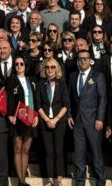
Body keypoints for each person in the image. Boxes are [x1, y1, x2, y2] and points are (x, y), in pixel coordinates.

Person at [68, 50, 106, 186]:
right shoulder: (73, 76)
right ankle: (80, 182)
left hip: (93, 120)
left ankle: (101, 181)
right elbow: (70, 99)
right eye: (80, 59)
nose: (82, 61)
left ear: (90, 60)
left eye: (85, 59)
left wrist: (100, 118)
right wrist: (69, 115)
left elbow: (102, 98)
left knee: (96, 154)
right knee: (79, 155)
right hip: (77, 121)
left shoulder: (97, 76)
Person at [35, 58, 68, 186]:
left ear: (57, 69)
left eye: (52, 67)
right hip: (45, 121)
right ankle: (49, 179)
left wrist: (55, 119)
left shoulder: (62, 83)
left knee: (59, 150)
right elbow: (38, 105)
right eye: (47, 67)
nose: (50, 69)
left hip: (60, 121)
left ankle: (58, 180)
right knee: (48, 151)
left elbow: (66, 105)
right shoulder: (40, 84)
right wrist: (48, 119)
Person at [6, 56, 35, 186]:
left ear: (25, 65)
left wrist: (36, 117)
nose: (19, 66)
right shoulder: (11, 80)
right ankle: (21, 181)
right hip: (16, 117)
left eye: (21, 64)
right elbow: (10, 99)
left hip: (29, 117)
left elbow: (36, 99)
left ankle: (24, 178)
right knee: (17, 148)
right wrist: (10, 115)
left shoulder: (31, 80)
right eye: (16, 64)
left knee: (26, 149)